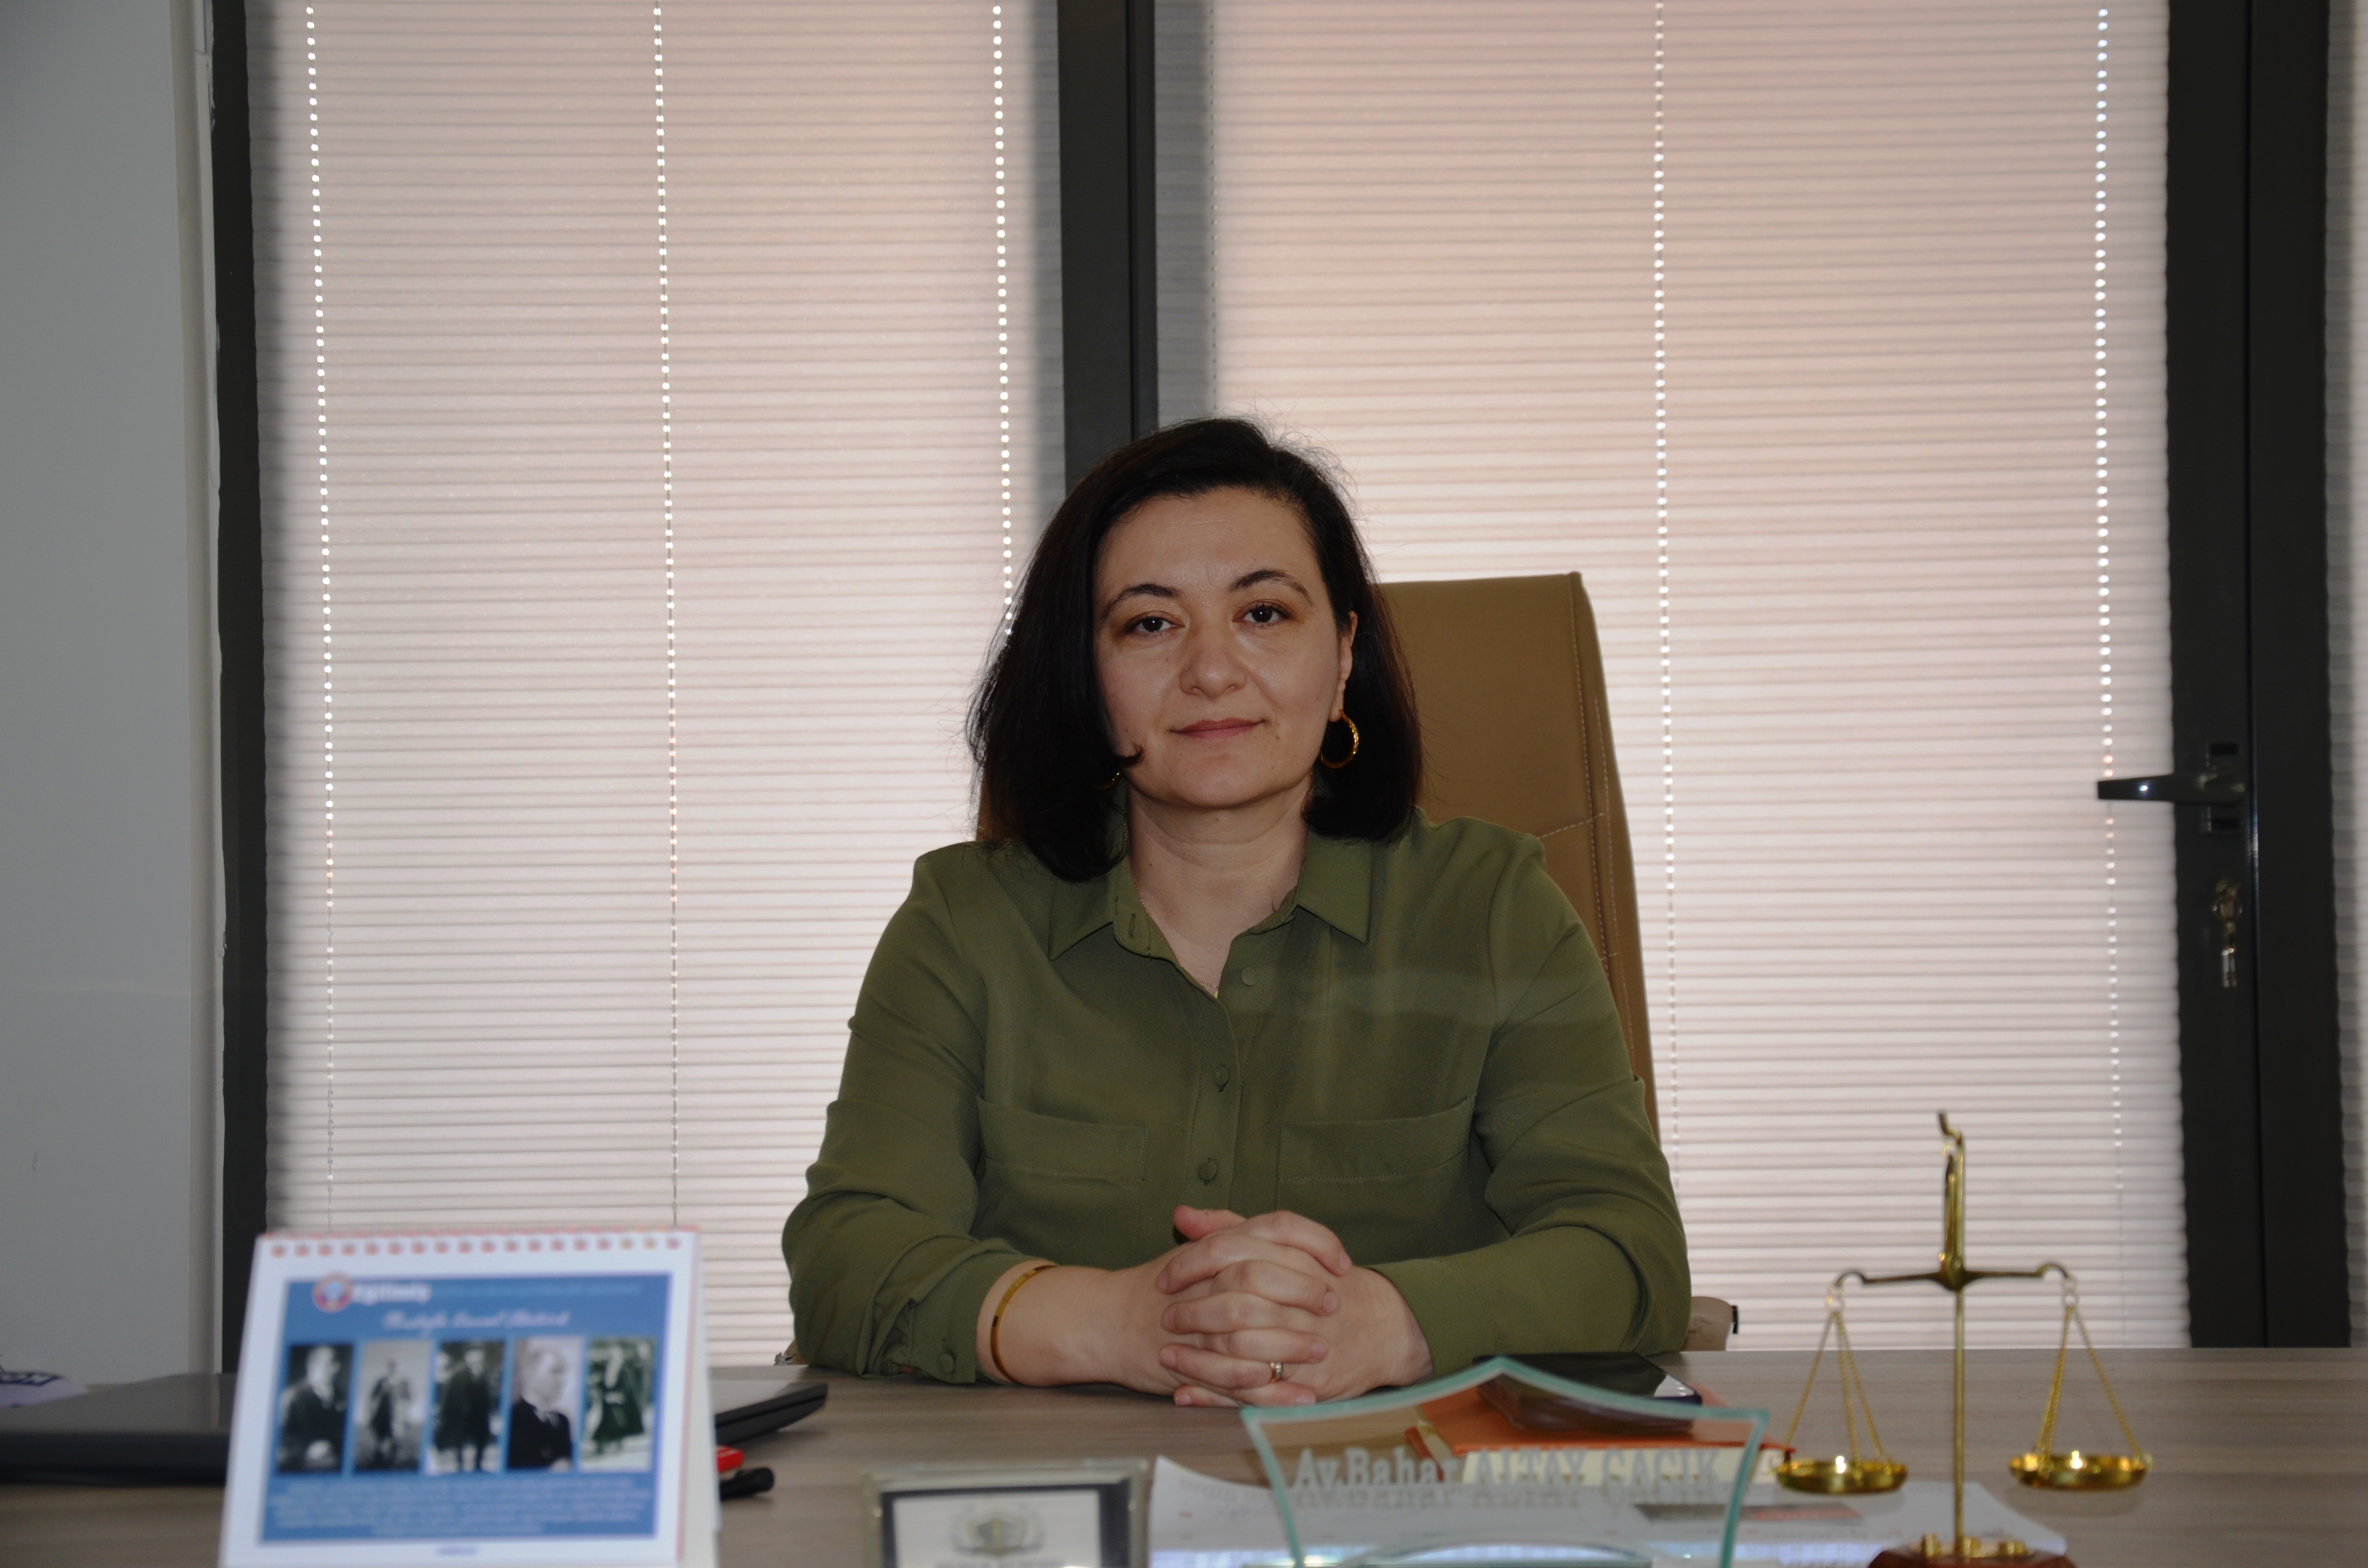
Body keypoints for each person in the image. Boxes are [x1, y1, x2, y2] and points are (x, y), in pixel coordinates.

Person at [783, 418, 1688, 1406]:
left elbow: (1629, 1250)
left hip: (1403, 1479)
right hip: (1056, 1488)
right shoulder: (964, 925)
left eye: (1263, 612)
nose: (1211, 669)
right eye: (1149, 623)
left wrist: (1388, 1324)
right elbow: (847, 1257)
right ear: (1086, 678)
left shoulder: (1492, 908)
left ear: (1342, 655)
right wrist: (1123, 1322)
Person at [276, 1345, 348, 1472]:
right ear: (313, 1366)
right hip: (303, 1466)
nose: (336, 1369)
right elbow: (281, 1439)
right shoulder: (292, 1397)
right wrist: (307, 1450)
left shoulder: (340, 1396)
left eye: (336, 1363)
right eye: (330, 1364)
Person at [506, 1342, 575, 1471]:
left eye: (562, 1374)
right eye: (555, 1372)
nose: (562, 1382)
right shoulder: (513, 1418)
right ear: (531, 1376)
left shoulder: (562, 1421)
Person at [433, 1344, 497, 1472]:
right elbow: (449, 1397)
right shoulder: (458, 1375)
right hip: (463, 1418)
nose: (476, 1359)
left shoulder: (484, 1374)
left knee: (481, 1442)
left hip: (480, 1416)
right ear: (467, 1357)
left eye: (479, 1355)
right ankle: (461, 1466)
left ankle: (478, 1466)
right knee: (461, 1444)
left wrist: (491, 1411)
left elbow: (488, 1394)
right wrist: (446, 1415)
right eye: (473, 1355)